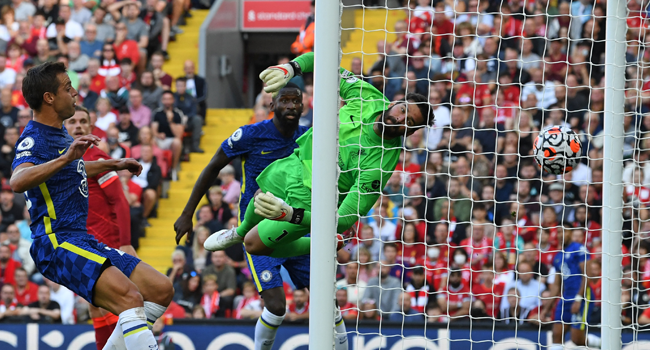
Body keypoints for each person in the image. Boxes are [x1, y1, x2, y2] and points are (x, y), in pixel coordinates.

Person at [205, 51, 433, 261]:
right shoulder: (368, 97)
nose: (400, 119)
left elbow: (341, 220)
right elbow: (322, 61)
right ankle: (238, 232)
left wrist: (290, 214)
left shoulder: (380, 166)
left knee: (254, 245)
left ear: (410, 132)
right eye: (403, 110)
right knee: (259, 197)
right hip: (297, 163)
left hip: (314, 199)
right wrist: (290, 69)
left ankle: (320, 245)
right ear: (395, 102)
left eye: (409, 122)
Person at [11, 62, 173, 349]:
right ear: (49, 97)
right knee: (130, 299)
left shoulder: (60, 132)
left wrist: (113, 163)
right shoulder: (33, 138)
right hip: (56, 244)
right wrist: (65, 158)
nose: (75, 93)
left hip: (82, 238)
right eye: (67, 87)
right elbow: (18, 180)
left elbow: (74, 168)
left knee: (160, 289)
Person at [173, 82, 344, 350]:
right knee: (276, 307)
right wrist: (187, 213)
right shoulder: (250, 135)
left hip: (295, 227)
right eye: (284, 101)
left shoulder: (309, 138)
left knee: (328, 301)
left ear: (304, 105)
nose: (290, 105)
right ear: (272, 105)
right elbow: (213, 166)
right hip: (259, 229)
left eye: (295, 101)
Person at [65, 105, 138, 350]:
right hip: (83, 244)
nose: (78, 126)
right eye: (72, 122)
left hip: (108, 243)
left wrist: (126, 242)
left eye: (83, 122)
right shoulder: (62, 161)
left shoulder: (98, 158)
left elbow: (119, 200)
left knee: (115, 304)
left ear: (91, 127)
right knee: (95, 305)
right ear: (64, 126)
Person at [544, 225, 589, 350]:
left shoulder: (579, 249)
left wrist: (579, 298)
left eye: (564, 231)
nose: (560, 235)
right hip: (566, 298)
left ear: (571, 233)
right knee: (557, 334)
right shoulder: (557, 257)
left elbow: (587, 275)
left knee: (576, 339)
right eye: (558, 232)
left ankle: (601, 344)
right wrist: (546, 309)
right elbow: (557, 285)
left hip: (581, 296)